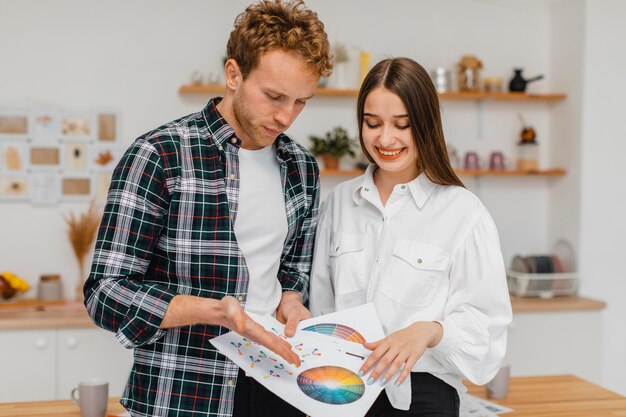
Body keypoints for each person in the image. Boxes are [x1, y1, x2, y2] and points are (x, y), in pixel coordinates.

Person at [84, 1, 332, 416]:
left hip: (279, 386)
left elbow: (293, 270)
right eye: (274, 96)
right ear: (233, 73)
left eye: (301, 101)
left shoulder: (302, 168)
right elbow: (105, 293)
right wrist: (213, 310)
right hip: (183, 390)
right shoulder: (159, 155)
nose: (286, 116)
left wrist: (292, 297)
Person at [309, 57, 512, 417]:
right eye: (372, 124)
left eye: (402, 125)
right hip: (340, 393)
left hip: (423, 400)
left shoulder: (464, 213)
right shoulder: (339, 203)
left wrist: (430, 331)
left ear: (425, 124)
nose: (385, 139)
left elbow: (488, 335)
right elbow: (319, 309)